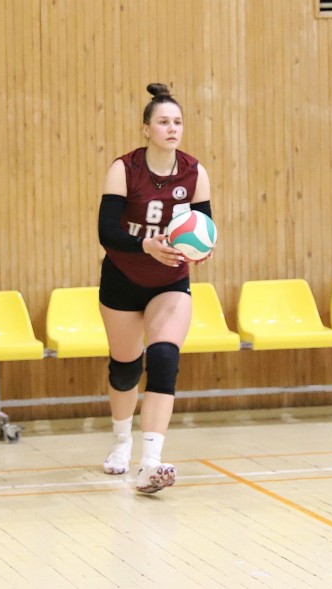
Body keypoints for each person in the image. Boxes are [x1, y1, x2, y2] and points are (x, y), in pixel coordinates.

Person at [96, 83, 213, 493]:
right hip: (123, 278)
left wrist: (201, 249)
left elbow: (204, 227)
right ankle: (121, 442)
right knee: (126, 368)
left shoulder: (194, 173)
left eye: (177, 122)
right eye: (163, 122)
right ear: (146, 129)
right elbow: (106, 232)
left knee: (164, 358)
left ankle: (151, 463)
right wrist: (145, 244)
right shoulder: (124, 169)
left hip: (170, 282)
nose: (172, 128)